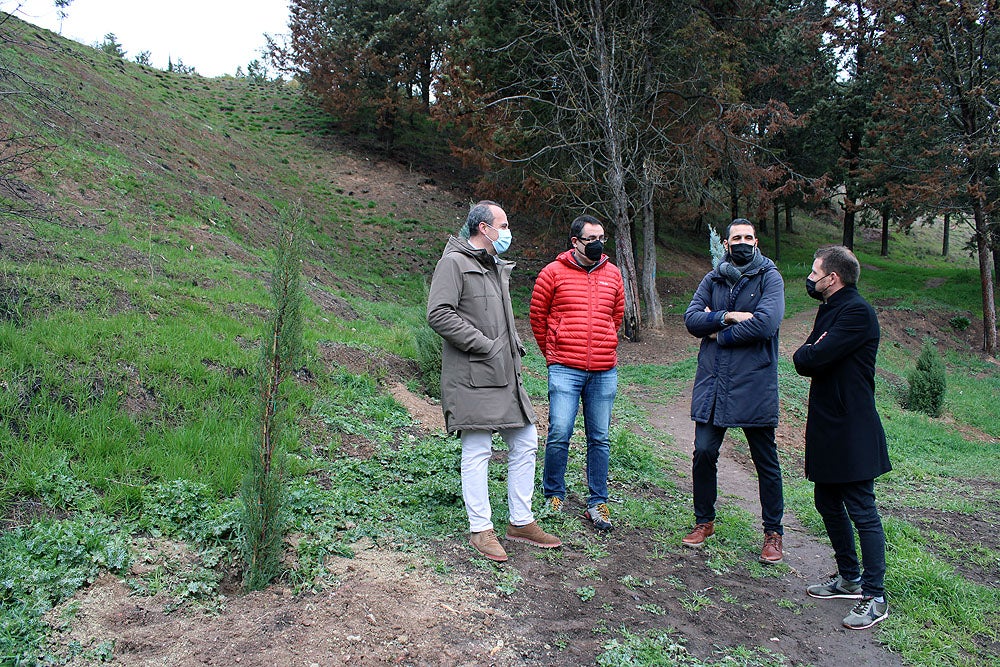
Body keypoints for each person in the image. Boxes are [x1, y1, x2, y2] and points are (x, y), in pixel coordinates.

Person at [427, 200, 561, 562]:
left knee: (526, 438)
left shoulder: (495, 265)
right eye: (503, 225)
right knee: (477, 447)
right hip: (472, 375)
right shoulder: (453, 263)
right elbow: (438, 314)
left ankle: (520, 521)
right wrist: (485, 345)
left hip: (503, 374)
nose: (507, 232)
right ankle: (480, 529)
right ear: (484, 229)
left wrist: (512, 345)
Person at [793, 245, 891, 630]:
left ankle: (875, 595)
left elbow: (809, 357)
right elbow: (806, 357)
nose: (811, 280)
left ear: (833, 278)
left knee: (862, 509)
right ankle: (849, 577)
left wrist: (811, 350)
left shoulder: (856, 312)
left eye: (815, 273)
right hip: (827, 423)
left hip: (852, 427)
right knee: (827, 502)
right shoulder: (830, 307)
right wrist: (811, 350)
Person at [681, 219, 785, 564]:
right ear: (726, 243)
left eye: (748, 237)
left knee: (765, 460)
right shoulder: (713, 278)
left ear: (756, 241)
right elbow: (692, 319)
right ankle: (703, 521)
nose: (742, 242)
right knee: (703, 452)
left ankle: (773, 533)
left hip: (754, 382)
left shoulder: (770, 277)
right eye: (736, 238)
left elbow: (766, 323)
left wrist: (719, 332)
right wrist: (730, 315)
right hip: (715, 382)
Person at [529, 214, 625, 531]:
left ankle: (598, 502)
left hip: (603, 371)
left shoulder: (613, 275)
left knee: (600, 438)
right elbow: (537, 318)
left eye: (601, 238)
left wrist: (604, 346)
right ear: (575, 242)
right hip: (564, 369)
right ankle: (554, 494)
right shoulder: (551, 274)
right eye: (591, 239)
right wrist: (554, 353)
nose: (598, 244)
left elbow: (616, 317)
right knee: (559, 432)